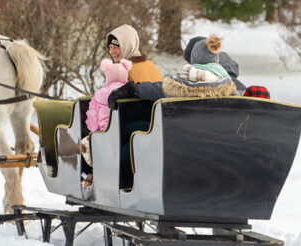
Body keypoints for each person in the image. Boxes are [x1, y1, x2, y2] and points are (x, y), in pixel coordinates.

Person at [108, 35, 238, 108]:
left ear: (194, 61)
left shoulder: (178, 86)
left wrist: (131, 89)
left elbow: (154, 88)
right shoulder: (229, 89)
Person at [80, 58, 132, 187]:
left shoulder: (99, 94)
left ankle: (89, 174)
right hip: (127, 136)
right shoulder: (131, 92)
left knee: (84, 143)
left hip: (107, 138)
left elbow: (92, 125)